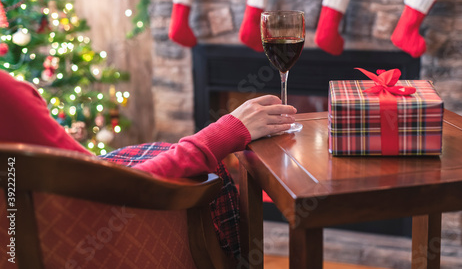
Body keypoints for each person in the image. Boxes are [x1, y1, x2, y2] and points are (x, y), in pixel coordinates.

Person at [0, 68, 296, 258]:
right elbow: (108, 190)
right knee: (211, 177)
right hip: (94, 248)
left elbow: (82, 171)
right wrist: (225, 132)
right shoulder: (6, 94)